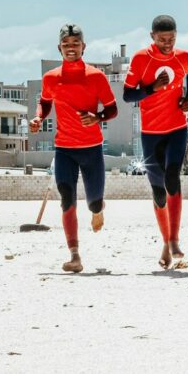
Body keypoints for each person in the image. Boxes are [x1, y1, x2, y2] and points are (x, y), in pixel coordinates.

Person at [30, 24, 118, 273]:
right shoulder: (51, 78)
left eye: (75, 44)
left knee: (93, 202)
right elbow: (45, 104)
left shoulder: (96, 77)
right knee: (67, 201)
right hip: (64, 149)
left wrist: (98, 117)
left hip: (91, 149)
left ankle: (99, 209)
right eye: (66, 44)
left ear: (83, 47)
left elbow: (112, 110)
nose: (71, 48)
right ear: (60, 48)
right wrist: (38, 118)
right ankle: (75, 255)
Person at [122, 15, 188, 269]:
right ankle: (165, 242)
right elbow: (127, 94)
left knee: (172, 178)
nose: (167, 43)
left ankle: (175, 240)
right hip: (151, 133)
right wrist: (152, 88)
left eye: (172, 38)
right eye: (162, 39)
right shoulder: (141, 59)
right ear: (152, 36)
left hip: (177, 128)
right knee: (157, 192)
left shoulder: (183, 57)